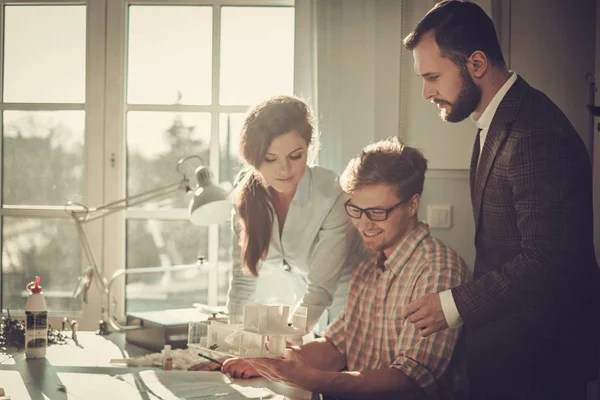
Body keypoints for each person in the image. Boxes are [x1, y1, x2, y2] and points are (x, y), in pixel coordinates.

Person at [402, 2, 600, 399]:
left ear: (476, 63)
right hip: (512, 350)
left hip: (540, 360)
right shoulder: (499, 119)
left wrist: (454, 304)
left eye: (433, 77)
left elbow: (548, 259)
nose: (426, 92)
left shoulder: (535, 133)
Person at [236, 138, 472, 399]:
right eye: (356, 210)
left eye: (377, 212)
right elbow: (337, 346)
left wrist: (311, 378)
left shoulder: (438, 271)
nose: (363, 224)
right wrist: (271, 360)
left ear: (412, 205)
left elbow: (408, 380)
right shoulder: (367, 269)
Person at [227, 94, 362, 333]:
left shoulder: (332, 195)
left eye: (295, 156)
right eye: (270, 159)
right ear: (253, 157)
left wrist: (284, 337)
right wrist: (235, 341)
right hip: (305, 315)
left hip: (353, 309)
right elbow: (242, 282)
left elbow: (320, 289)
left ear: (309, 149)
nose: (285, 169)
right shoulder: (245, 197)